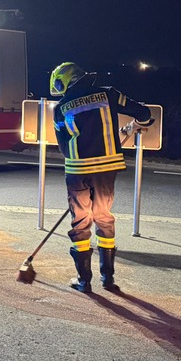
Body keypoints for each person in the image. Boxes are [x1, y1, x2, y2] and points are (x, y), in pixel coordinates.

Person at [50, 62, 154, 292]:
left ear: (65, 82)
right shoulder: (109, 94)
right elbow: (145, 114)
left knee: (80, 221)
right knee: (103, 217)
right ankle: (108, 279)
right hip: (107, 168)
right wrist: (134, 126)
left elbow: (63, 146)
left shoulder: (61, 107)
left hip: (77, 170)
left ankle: (83, 281)